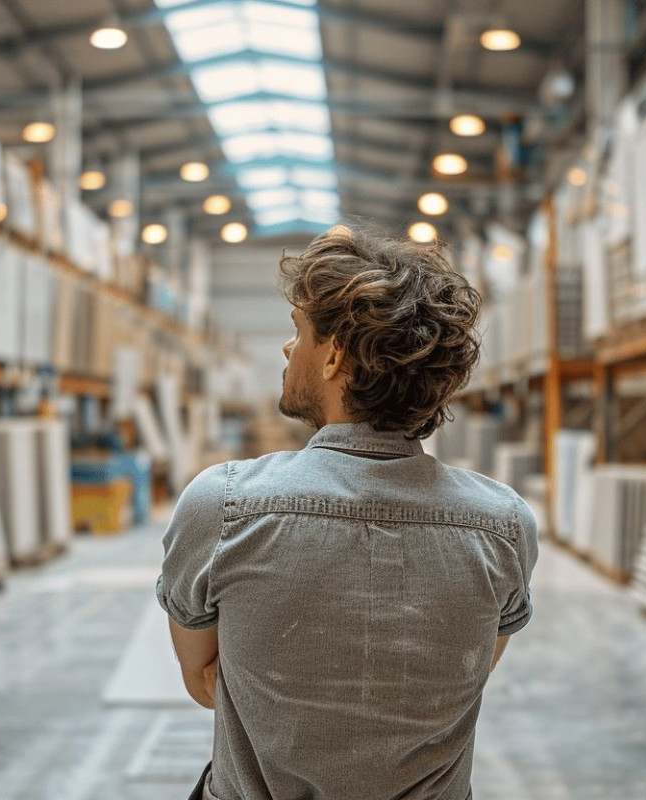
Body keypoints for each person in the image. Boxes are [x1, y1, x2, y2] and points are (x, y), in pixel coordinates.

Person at [157, 224, 539, 800]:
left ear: (335, 354)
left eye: (299, 332)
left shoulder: (224, 506)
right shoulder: (501, 526)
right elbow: (463, 677)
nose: (289, 349)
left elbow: (206, 679)